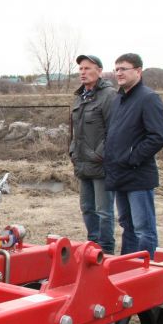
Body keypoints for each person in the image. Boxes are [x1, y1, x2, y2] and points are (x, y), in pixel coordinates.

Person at [103, 53, 163, 258]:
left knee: (143, 228)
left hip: (138, 175)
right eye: (117, 69)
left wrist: (132, 158)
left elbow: (158, 136)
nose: (119, 73)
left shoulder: (148, 98)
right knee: (127, 225)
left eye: (124, 69)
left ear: (138, 71)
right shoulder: (119, 99)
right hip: (119, 174)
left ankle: (146, 271)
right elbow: (114, 134)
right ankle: (127, 267)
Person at [70, 54, 117, 254]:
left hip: (100, 164)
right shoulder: (80, 97)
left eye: (87, 68)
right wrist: (73, 151)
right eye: (81, 69)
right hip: (82, 162)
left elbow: (114, 131)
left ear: (99, 70)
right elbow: (77, 130)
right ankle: (93, 246)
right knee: (87, 208)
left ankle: (105, 250)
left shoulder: (109, 95)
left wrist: (100, 154)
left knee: (104, 211)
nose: (83, 72)